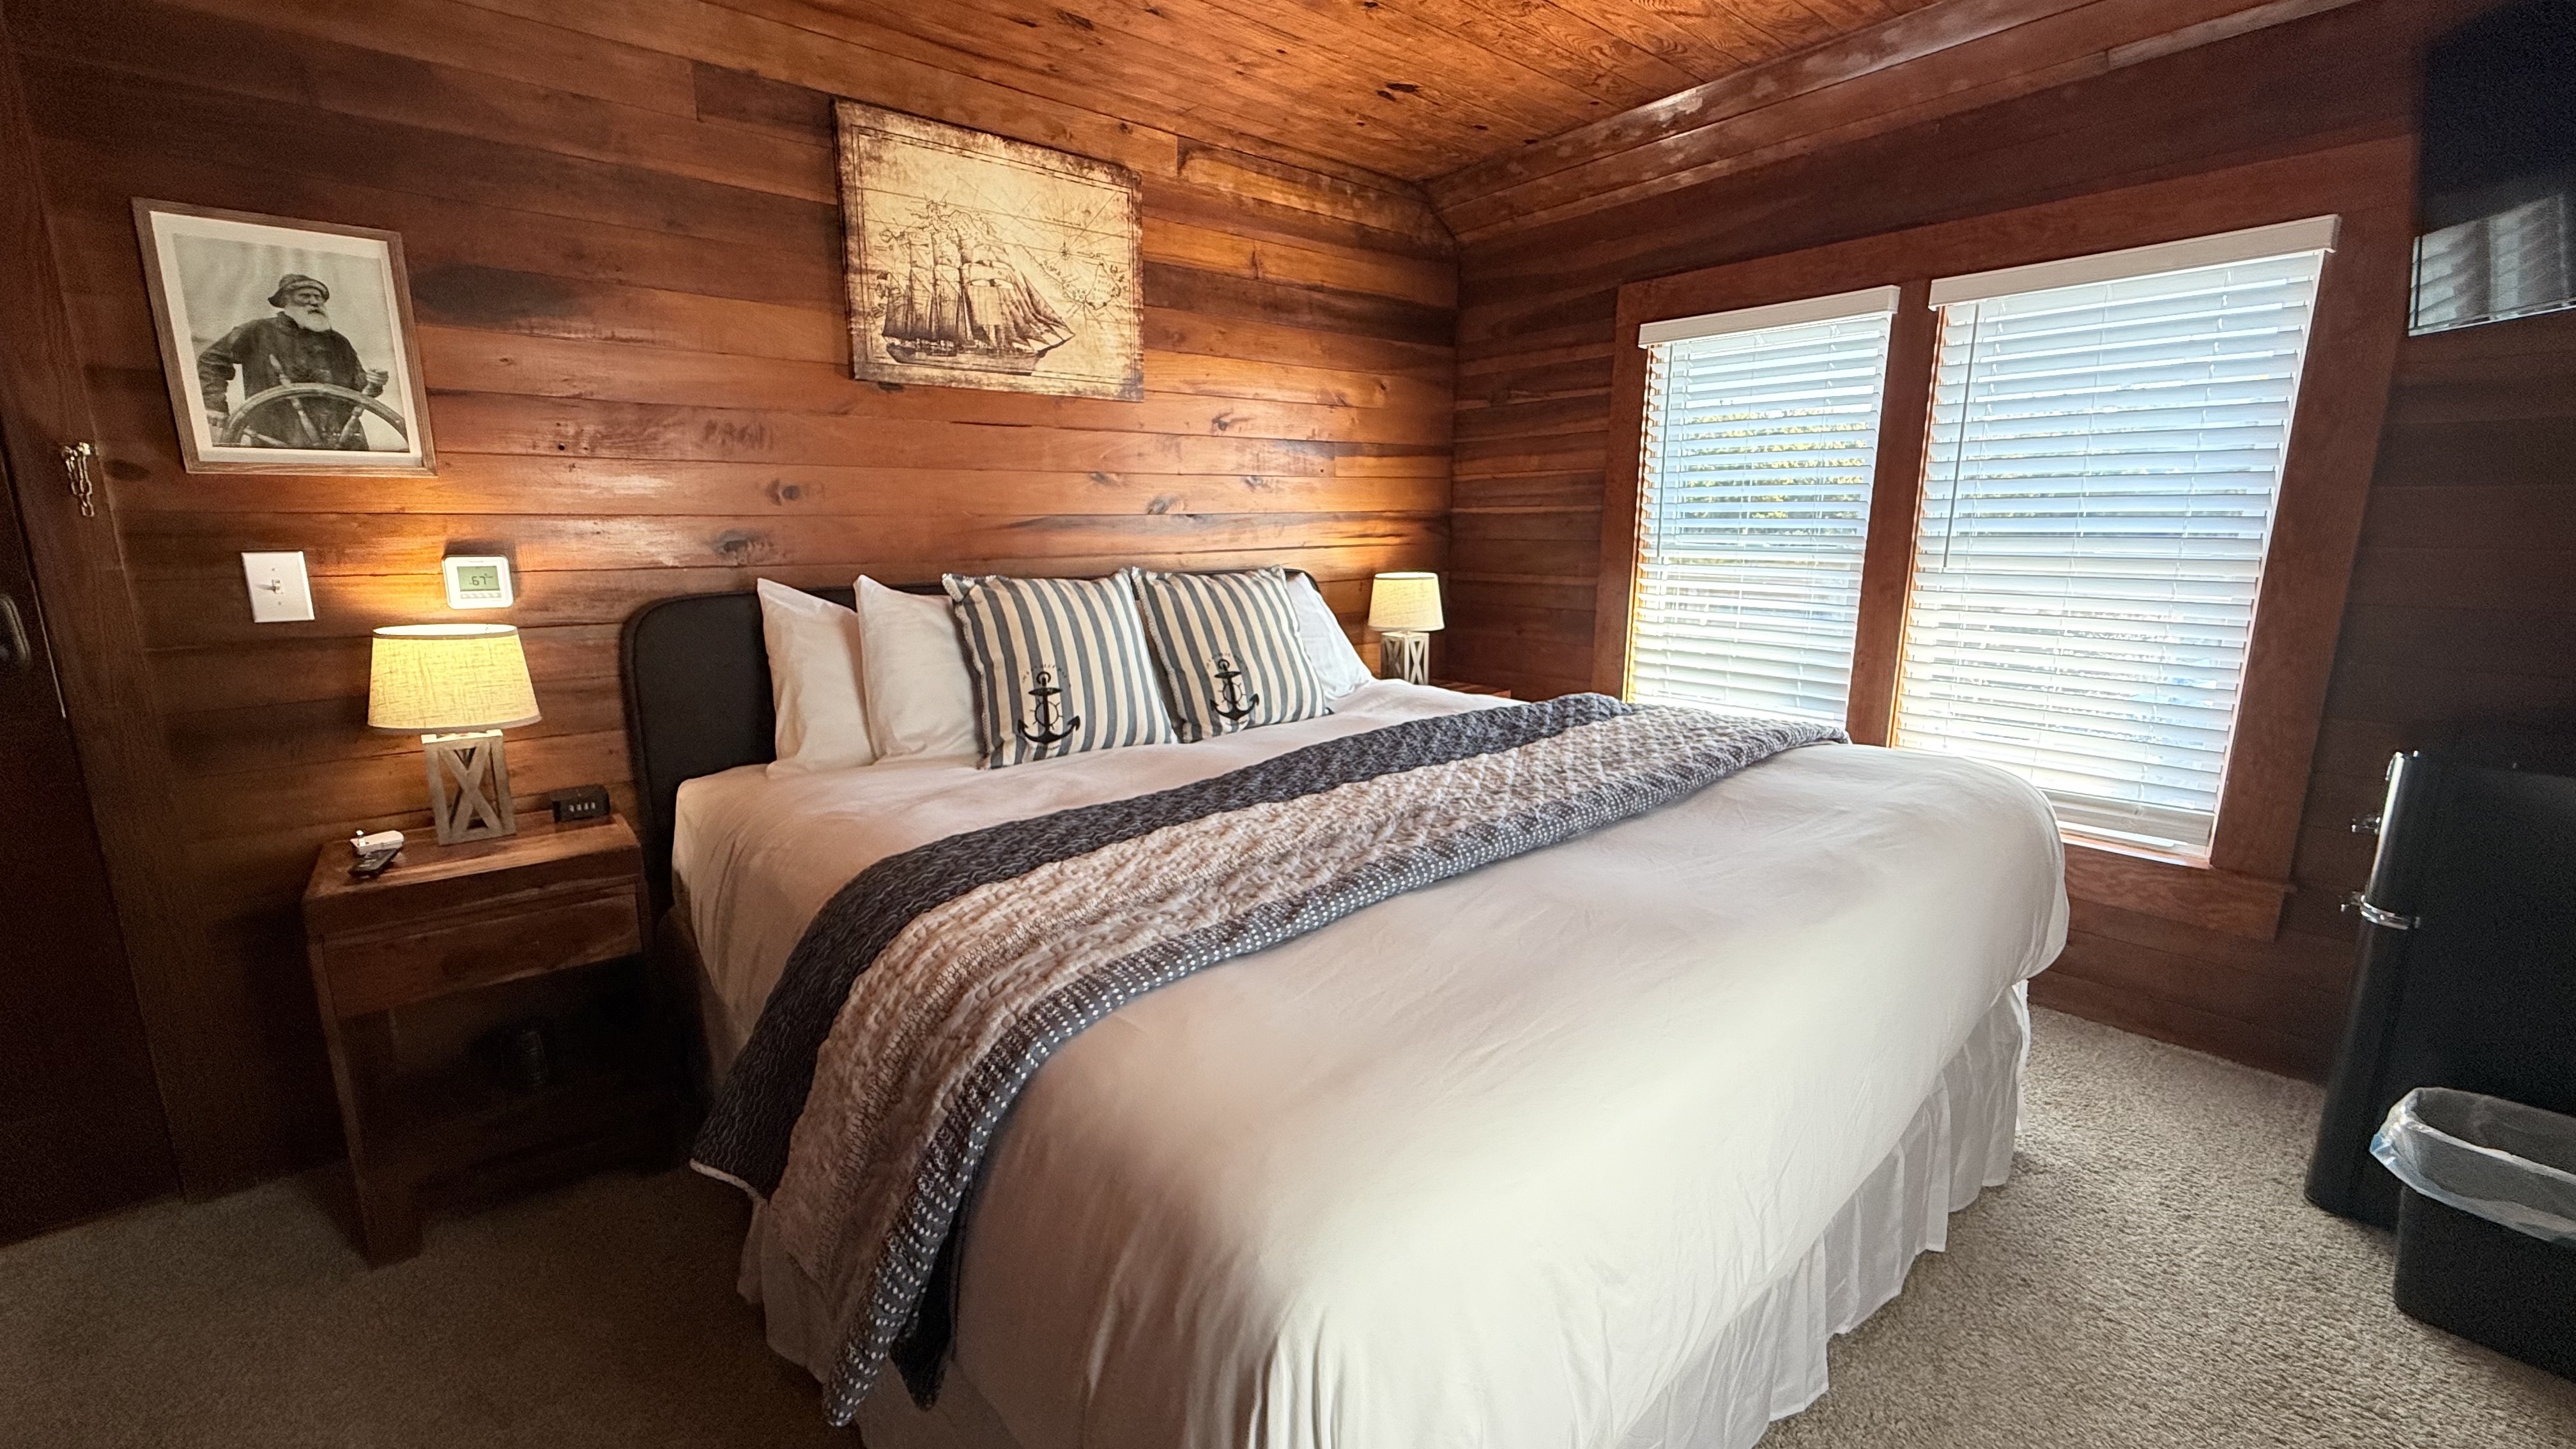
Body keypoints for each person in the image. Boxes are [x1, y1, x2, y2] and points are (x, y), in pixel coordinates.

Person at [195, 273, 390, 448]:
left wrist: (374, 382)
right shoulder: (258, 332)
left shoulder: (338, 342)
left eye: (318, 298)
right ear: (285, 301)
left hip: (340, 439)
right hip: (280, 434)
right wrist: (214, 405)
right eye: (305, 296)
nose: (314, 302)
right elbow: (212, 360)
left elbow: (358, 389)